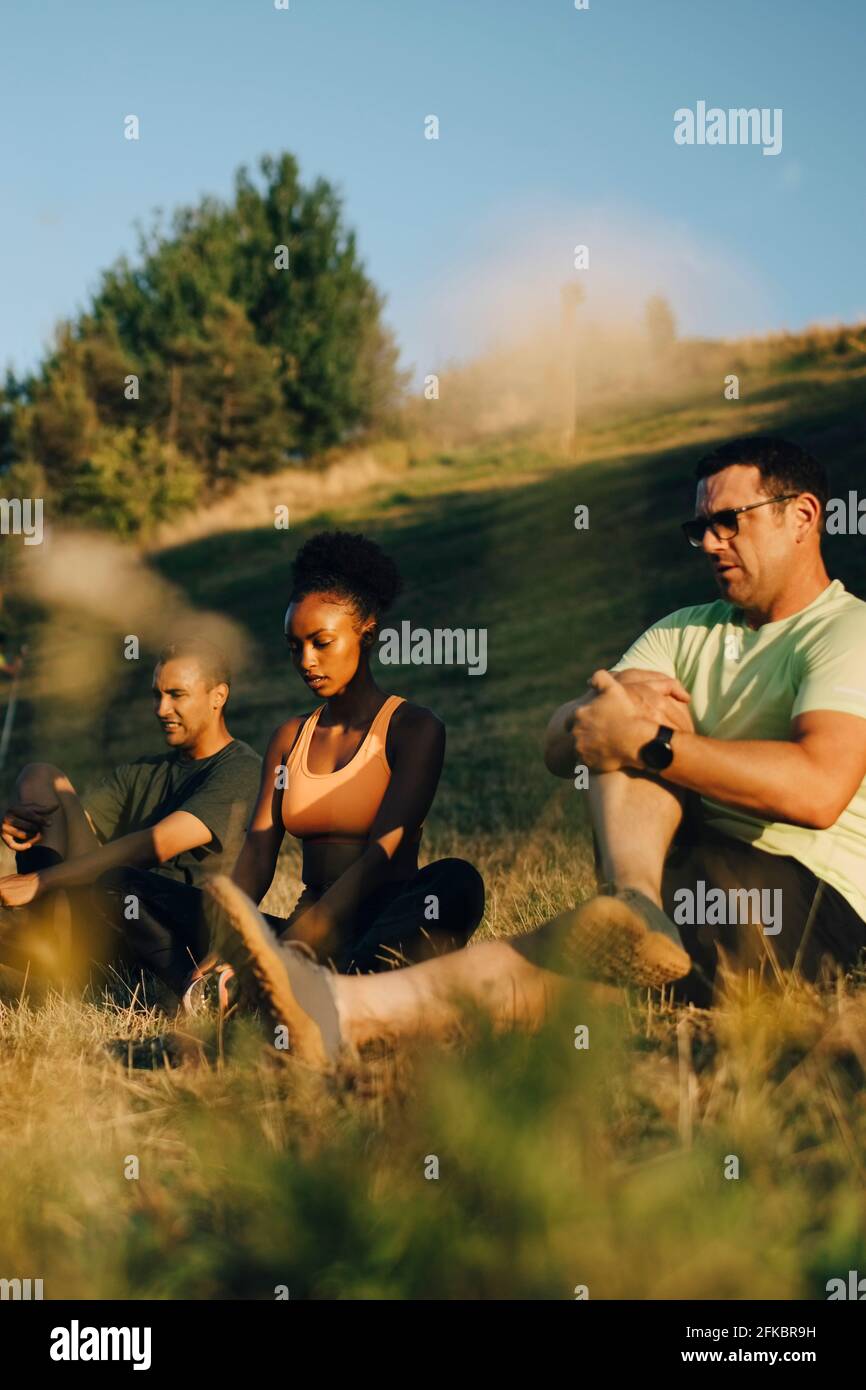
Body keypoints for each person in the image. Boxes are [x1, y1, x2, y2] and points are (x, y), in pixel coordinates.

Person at [198, 436, 866, 1068]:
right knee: (584, 959)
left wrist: (654, 744)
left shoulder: (846, 632)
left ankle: (340, 1005)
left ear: (802, 515)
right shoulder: (684, 630)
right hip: (678, 879)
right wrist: (603, 723)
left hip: (799, 899)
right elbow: (561, 741)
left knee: (564, 963)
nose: (710, 543)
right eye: (700, 530)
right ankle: (629, 910)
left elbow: (816, 791)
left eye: (729, 521)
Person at [226, 530, 484, 980]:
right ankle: (287, 978)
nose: (306, 661)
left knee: (455, 882)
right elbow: (257, 850)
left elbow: (385, 852)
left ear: (366, 634)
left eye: (321, 643)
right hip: (302, 927)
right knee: (143, 894)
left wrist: (297, 943)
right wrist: (224, 940)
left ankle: (330, 983)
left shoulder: (415, 728)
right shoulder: (289, 737)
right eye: (294, 646)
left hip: (382, 921)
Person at [0, 638, 261, 995]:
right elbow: (67, 825)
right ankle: (50, 946)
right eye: (157, 695)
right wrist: (23, 824)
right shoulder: (143, 771)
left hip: (171, 934)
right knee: (40, 778)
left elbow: (156, 844)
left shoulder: (241, 768)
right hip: (105, 920)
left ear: (218, 696)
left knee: (121, 883)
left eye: (176, 695)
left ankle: (49, 954)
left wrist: (39, 881)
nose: (161, 709)